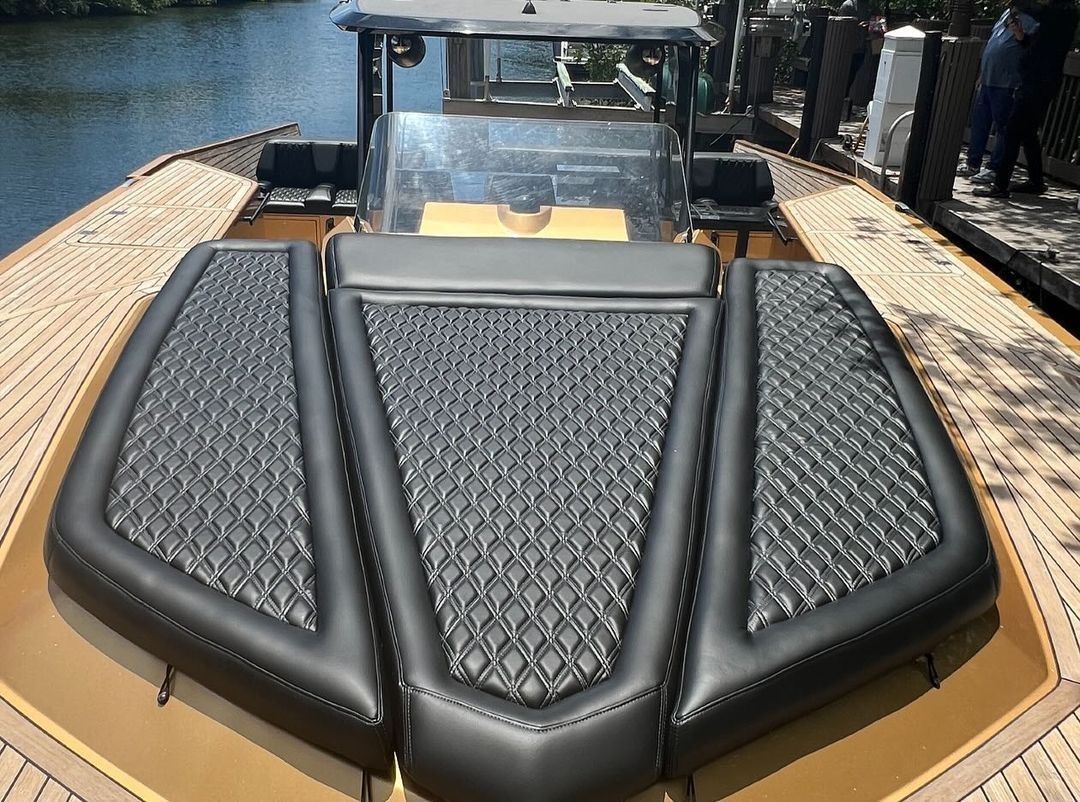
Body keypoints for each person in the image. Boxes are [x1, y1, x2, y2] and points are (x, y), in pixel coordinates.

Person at [975, 0, 1080, 198]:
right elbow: (1039, 45)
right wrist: (1021, 37)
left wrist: (1017, 2)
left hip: (1038, 82)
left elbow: (1034, 10)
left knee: (1013, 130)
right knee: (1028, 132)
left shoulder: (1063, 12)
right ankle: (1036, 181)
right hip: (1039, 80)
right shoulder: (1056, 18)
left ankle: (1000, 186)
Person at [957, 3, 1039, 184]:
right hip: (988, 79)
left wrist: (1020, 34)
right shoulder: (1004, 15)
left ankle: (994, 168)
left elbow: (1031, 48)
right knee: (980, 122)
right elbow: (993, 43)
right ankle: (973, 163)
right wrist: (981, 75)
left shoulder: (1032, 20)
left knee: (1004, 128)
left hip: (1007, 83)